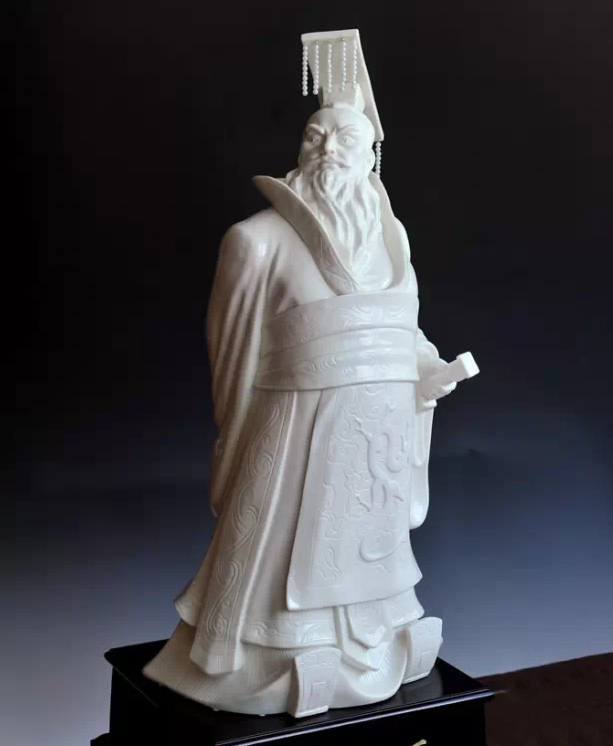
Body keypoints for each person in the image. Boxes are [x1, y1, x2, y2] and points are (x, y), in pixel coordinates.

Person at [143, 30, 456, 718]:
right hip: (293, 429)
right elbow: (234, 360)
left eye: (345, 138)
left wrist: (423, 373)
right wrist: (239, 441)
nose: (327, 149)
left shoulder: (393, 240)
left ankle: (369, 648)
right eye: (316, 136)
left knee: (368, 544)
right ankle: (272, 656)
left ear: (372, 155)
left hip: (375, 432)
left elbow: (402, 328)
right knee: (284, 544)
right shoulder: (256, 241)